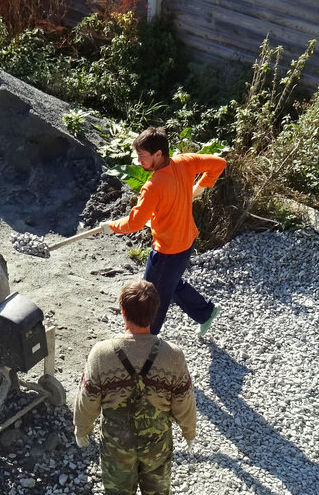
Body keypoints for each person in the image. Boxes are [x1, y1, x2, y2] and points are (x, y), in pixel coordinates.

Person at [73, 280, 197, 495]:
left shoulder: (101, 354)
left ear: (122, 311)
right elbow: (184, 401)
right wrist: (188, 432)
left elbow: (87, 400)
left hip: (117, 451)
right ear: (154, 313)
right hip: (157, 448)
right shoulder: (173, 355)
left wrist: (82, 430)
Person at [97, 127, 227, 337]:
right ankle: (205, 312)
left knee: (151, 295)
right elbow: (219, 163)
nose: (139, 161)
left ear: (159, 154)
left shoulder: (154, 185)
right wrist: (201, 188)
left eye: (142, 156)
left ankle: (146, 340)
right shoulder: (185, 161)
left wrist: (111, 227)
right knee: (170, 281)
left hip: (169, 250)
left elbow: (135, 223)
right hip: (187, 239)